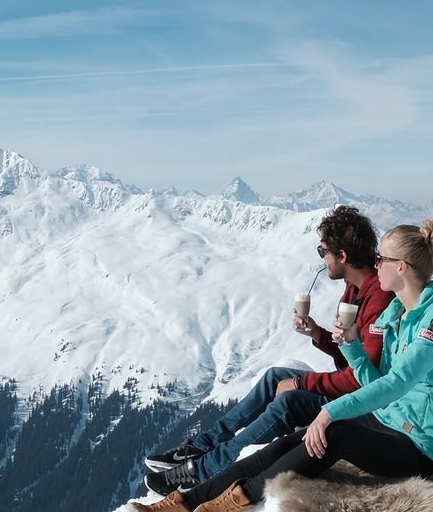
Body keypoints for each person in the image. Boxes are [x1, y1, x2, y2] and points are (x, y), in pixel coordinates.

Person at [129, 220, 433, 512]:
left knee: (332, 432)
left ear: (401, 268)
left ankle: (238, 498)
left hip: (421, 445)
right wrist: (350, 345)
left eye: (381, 259)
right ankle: (187, 502)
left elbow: (396, 384)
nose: (375, 264)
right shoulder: (400, 313)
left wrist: (331, 411)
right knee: (295, 440)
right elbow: (374, 379)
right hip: (390, 421)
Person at [139, 205, 393, 495]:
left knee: (287, 400)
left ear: (343, 256)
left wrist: (300, 382)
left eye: (323, 250)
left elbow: (365, 378)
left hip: (363, 400)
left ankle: (205, 470)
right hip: (350, 386)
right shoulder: (355, 289)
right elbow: (350, 355)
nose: (321, 257)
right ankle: (200, 447)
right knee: (275, 376)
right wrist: (318, 335)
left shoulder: (378, 299)